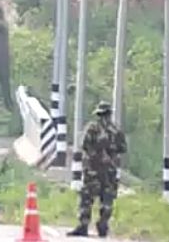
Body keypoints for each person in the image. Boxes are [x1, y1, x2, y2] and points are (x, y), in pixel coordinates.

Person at [67, 102, 128, 238]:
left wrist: (97, 154)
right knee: (107, 198)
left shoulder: (92, 128)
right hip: (110, 171)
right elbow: (123, 148)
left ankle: (83, 224)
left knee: (87, 197)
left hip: (92, 169)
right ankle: (103, 224)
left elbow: (85, 145)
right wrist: (110, 153)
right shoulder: (116, 131)